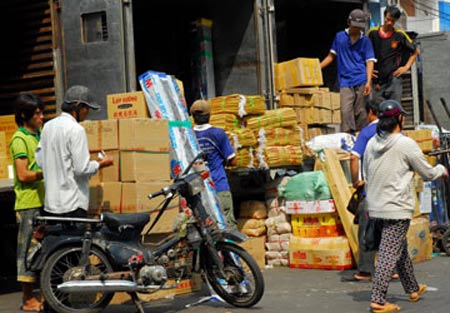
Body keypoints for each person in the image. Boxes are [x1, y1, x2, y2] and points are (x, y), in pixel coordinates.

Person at [363, 99, 447, 312]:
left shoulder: (372, 143)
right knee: (388, 252)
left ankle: (413, 288)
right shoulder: (405, 143)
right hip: (396, 207)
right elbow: (427, 173)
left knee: (398, 249)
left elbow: (366, 173)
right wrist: (441, 170)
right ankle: (378, 299)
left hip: (375, 206)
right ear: (399, 118)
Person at [35, 85, 113, 217]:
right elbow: (81, 169)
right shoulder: (76, 130)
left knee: (58, 237)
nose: (87, 112)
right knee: (74, 237)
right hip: (73, 205)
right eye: (86, 108)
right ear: (77, 106)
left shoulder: (48, 127)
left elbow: (40, 161)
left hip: (51, 206)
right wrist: (100, 164)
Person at [9, 94, 45, 312]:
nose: (42, 117)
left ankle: (40, 294)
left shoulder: (39, 134)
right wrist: (46, 172)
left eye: (42, 112)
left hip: (42, 201)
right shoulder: (19, 139)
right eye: (38, 113)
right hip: (28, 204)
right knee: (27, 251)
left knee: (40, 251)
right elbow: (23, 175)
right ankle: (27, 299)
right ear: (25, 115)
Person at [321, 8, 375, 134]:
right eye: (355, 26)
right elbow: (331, 56)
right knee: (346, 111)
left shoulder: (365, 40)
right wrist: (317, 67)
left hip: (361, 79)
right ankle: (347, 136)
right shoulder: (339, 37)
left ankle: (361, 135)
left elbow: (370, 62)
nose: (357, 29)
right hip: (345, 80)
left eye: (359, 27)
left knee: (361, 111)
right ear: (348, 22)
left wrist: (368, 82)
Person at [190, 99, 237, 230]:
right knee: (227, 225)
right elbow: (233, 160)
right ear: (209, 115)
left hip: (198, 191)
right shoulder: (218, 133)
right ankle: (230, 250)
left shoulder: (188, 134)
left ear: (193, 117)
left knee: (204, 228)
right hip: (218, 185)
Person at [367, 5, 419, 105]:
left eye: (393, 21)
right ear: (384, 17)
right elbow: (364, 53)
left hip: (394, 79)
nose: (390, 23)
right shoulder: (372, 33)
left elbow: (415, 52)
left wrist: (406, 67)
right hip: (377, 80)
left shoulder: (399, 35)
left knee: (394, 109)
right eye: (388, 19)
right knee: (377, 107)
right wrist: (368, 69)